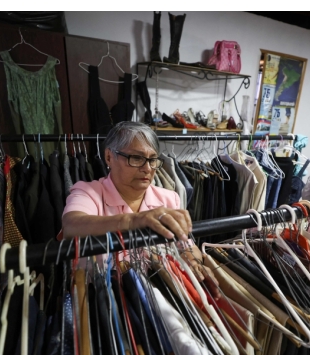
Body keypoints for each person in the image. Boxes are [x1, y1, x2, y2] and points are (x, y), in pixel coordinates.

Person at [61, 121, 218, 295]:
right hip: (101, 300)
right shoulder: (88, 192)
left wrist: (194, 262)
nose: (147, 168)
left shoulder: (167, 198)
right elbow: (71, 226)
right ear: (108, 157)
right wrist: (134, 219)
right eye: (136, 158)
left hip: (159, 295)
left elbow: (185, 245)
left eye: (152, 159)